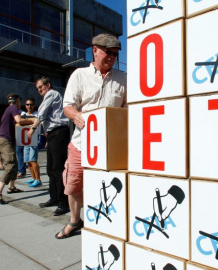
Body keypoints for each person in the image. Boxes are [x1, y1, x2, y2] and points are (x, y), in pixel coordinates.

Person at [56, 33, 126, 239]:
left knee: (109, 185)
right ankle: (75, 221)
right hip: (81, 143)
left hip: (111, 146)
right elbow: (67, 106)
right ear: (95, 50)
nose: (112, 56)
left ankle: (106, 221)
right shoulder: (79, 75)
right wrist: (78, 117)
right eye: (108, 52)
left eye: (115, 53)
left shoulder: (123, 78)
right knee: (73, 185)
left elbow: (127, 110)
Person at [27, 77, 70, 215]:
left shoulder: (52, 94)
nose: (39, 89)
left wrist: (33, 129)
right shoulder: (48, 96)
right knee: (51, 169)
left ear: (48, 84)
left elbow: (42, 114)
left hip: (59, 132)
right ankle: (54, 198)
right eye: (38, 88)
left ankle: (64, 203)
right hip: (52, 135)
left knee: (58, 168)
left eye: (41, 86)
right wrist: (47, 135)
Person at [0, 93, 33, 204]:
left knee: (15, 164)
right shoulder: (13, 108)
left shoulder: (8, 109)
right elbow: (19, 120)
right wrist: (34, 121)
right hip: (5, 141)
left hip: (6, 140)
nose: (21, 104)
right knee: (11, 165)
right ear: (17, 100)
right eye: (20, 101)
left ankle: (12, 187)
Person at [20, 98, 42, 188]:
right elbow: (19, 123)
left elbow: (37, 123)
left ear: (34, 105)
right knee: (28, 161)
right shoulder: (23, 114)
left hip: (34, 139)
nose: (29, 106)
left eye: (31, 104)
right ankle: (33, 178)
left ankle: (38, 180)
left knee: (33, 160)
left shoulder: (37, 114)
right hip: (25, 139)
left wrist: (27, 121)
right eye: (27, 104)